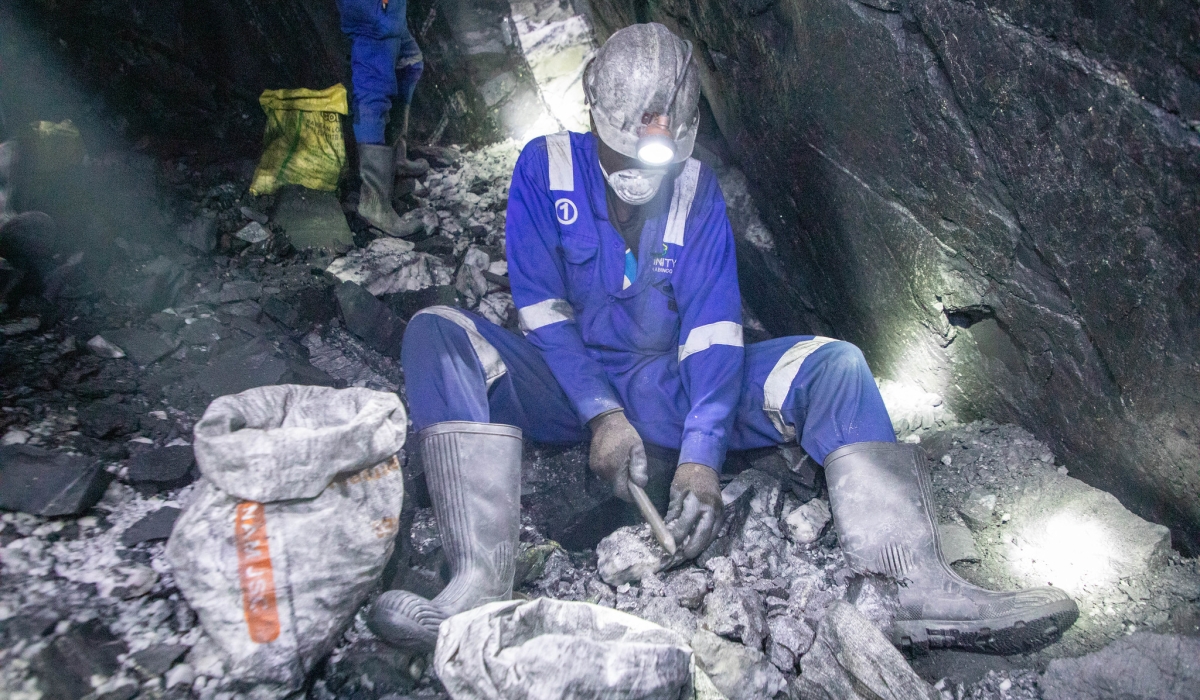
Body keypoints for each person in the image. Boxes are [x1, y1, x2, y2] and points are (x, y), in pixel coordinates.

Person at [369, 23, 1078, 655]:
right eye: (622, 160)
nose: (639, 179)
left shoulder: (696, 190)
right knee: (439, 332)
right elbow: (542, 310)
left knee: (834, 365)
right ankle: (476, 584)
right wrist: (601, 414)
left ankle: (910, 587)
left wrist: (701, 458)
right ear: (593, 117)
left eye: (656, 162)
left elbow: (712, 331)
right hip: (565, 380)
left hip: (673, 385)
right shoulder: (542, 169)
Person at [336, 0, 429, 238]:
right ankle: (374, 201)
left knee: (410, 63)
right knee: (373, 91)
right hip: (374, 12)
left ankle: (395, 157)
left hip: (387, 12)